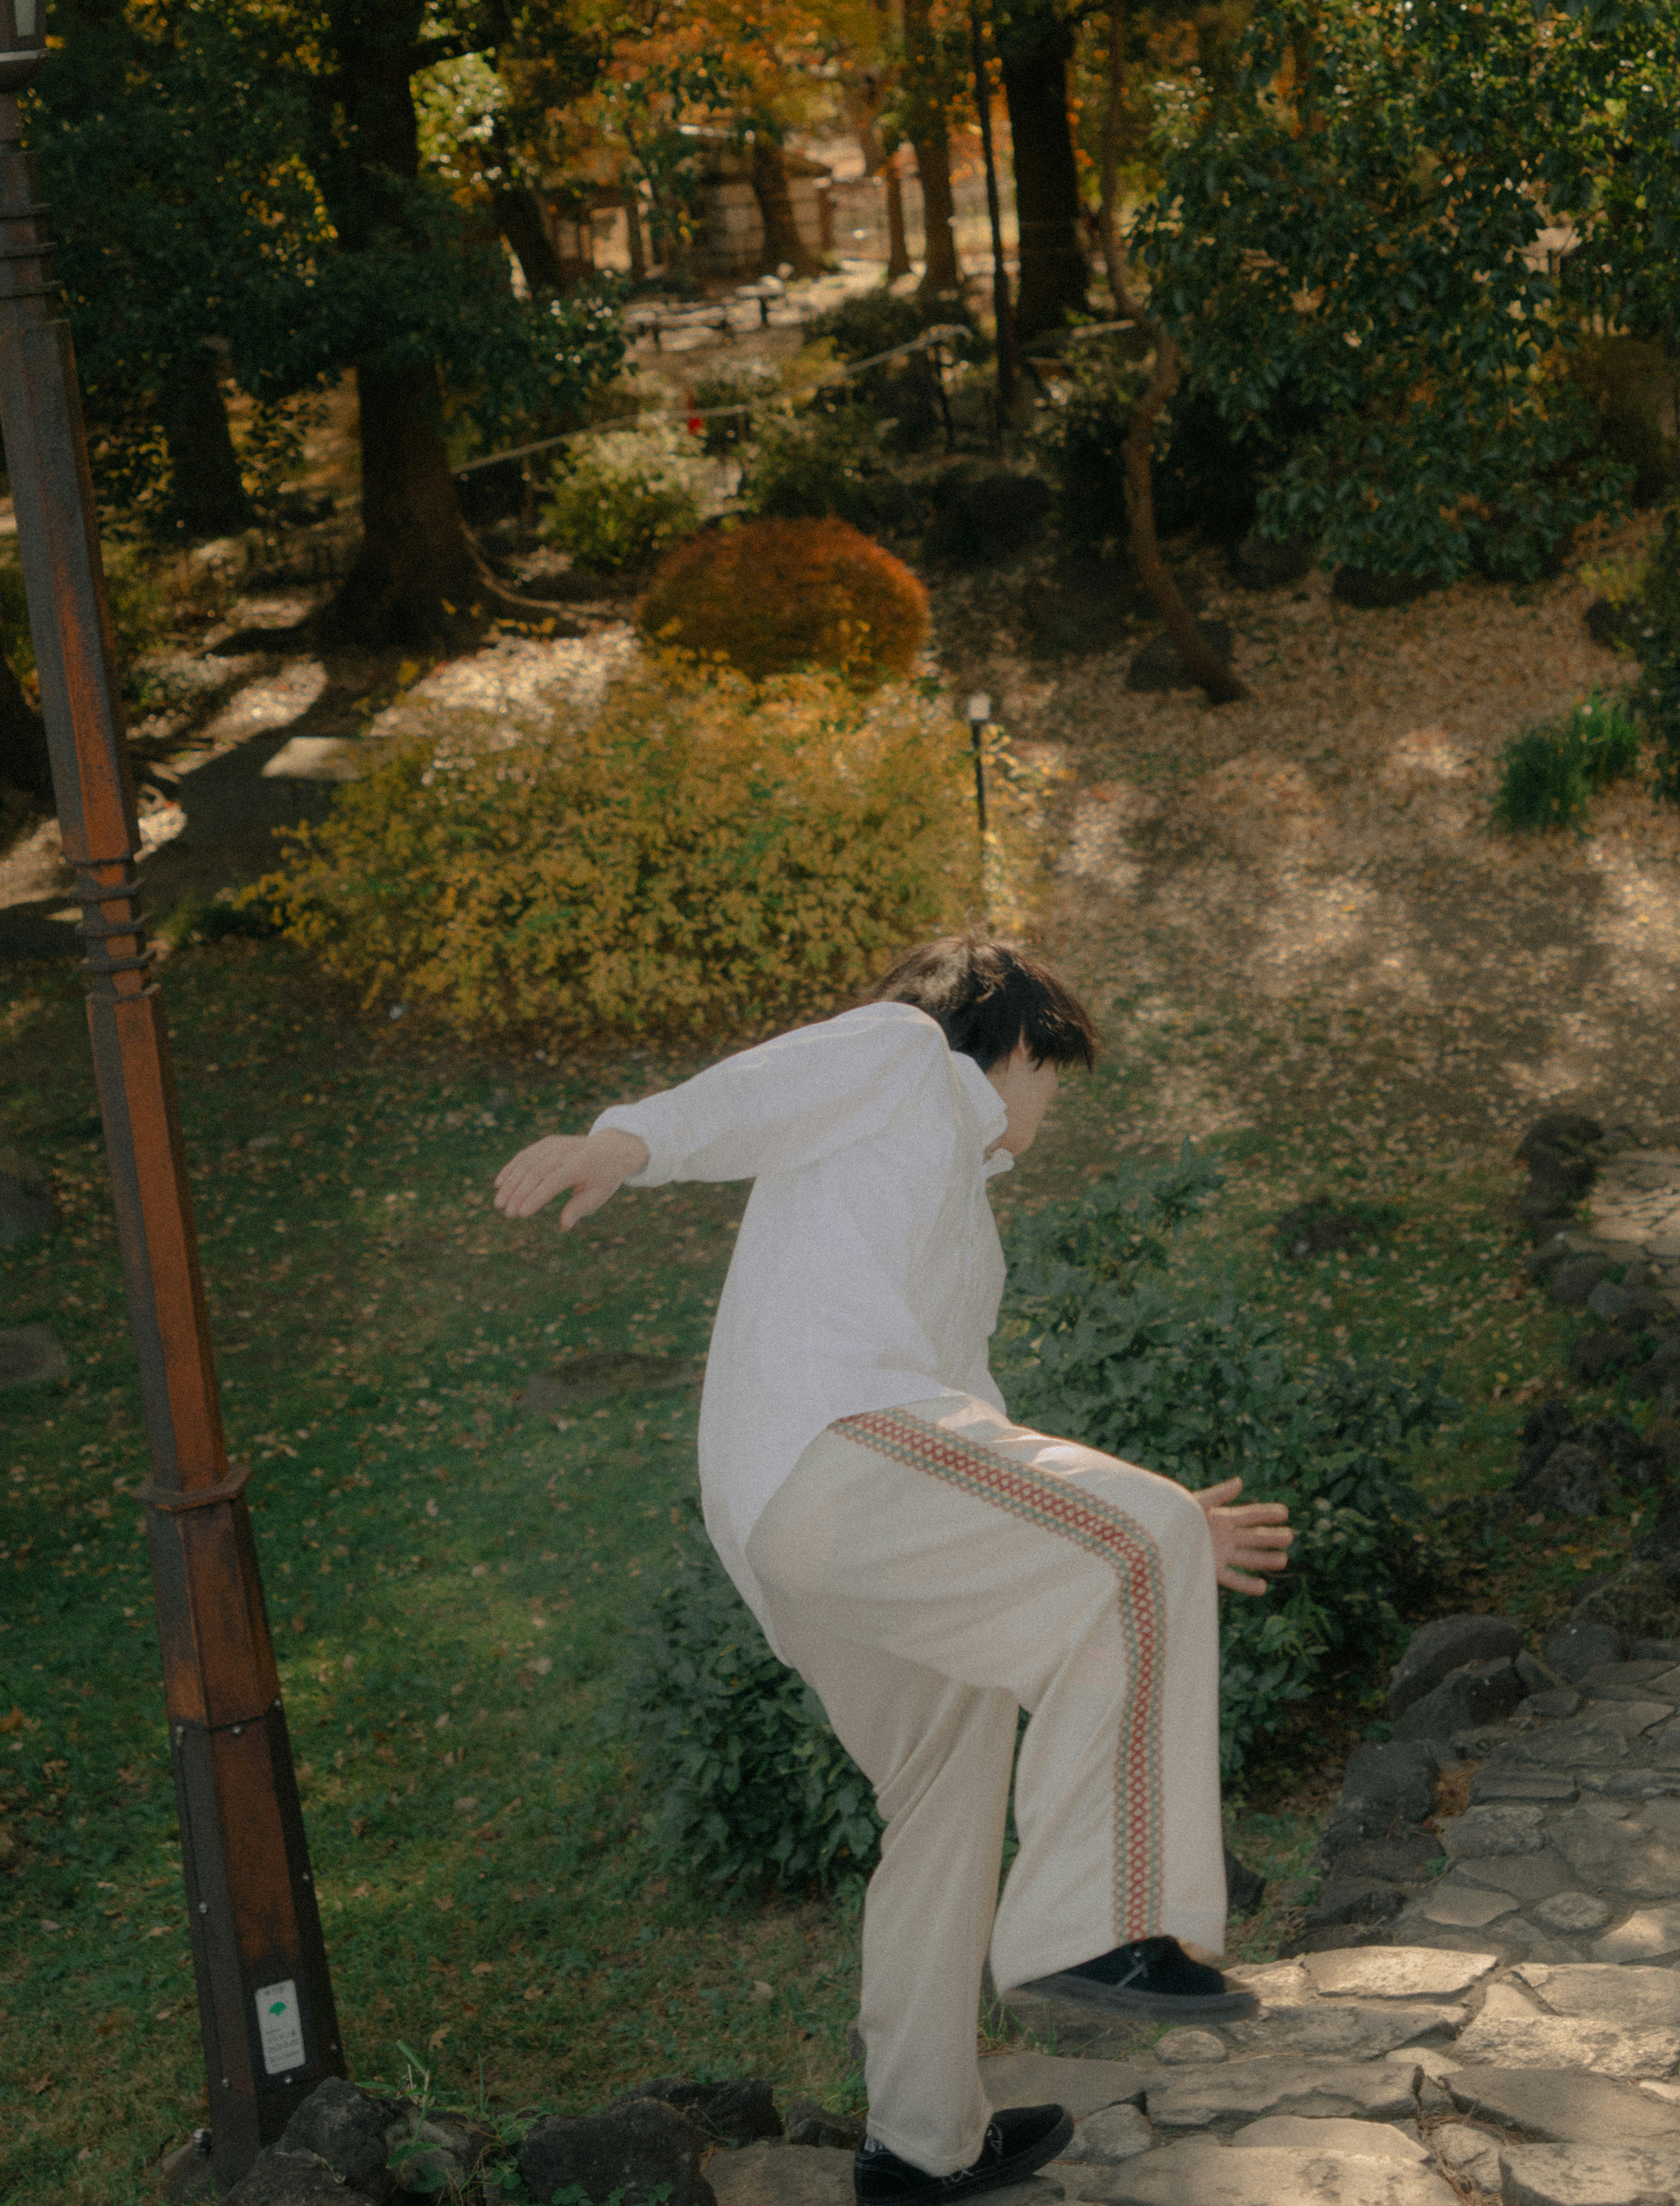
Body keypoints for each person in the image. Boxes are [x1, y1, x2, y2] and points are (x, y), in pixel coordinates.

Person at [495, 936, 1293, 2206]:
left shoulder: (945, 1210)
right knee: (1132, 1551)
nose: (1047, 1113)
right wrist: (622, 1144)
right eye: (1051, 1079)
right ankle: (1101, 1925)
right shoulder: (908, 1054)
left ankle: (922, 2146)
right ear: (1019, 1040)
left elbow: (971, 1422)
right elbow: (755, 1093)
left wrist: (1132, 1517)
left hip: (805, 1524)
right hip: (836, 1459)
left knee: (952, 1775)